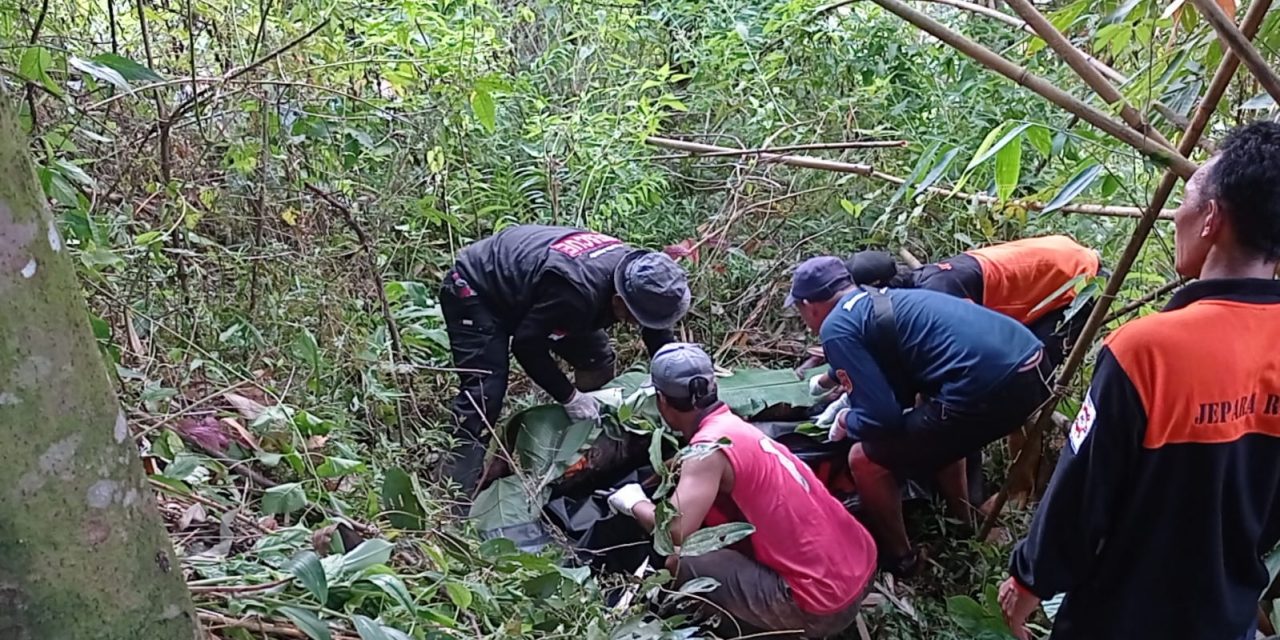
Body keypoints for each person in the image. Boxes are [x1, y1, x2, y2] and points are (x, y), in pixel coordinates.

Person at [999, 122, 1280, 640]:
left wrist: (1030, 578)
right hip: (1228, 614)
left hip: (1120, 616)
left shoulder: (1148, 350)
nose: (1178, 212)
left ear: (1211, 219)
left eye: (1188, 196)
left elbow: (1081, 494)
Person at [789, 257, 1050, 575]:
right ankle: (965, 521)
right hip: (1034, 366)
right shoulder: (880, 298)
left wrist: (847, 421)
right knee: (933, 426)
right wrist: (836, 378)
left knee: (865, 459)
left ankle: (903, 558)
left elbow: (882, 418)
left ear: (809, 305)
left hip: (992, 389)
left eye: (799, 310)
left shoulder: (835, 328)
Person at [607, 343, 877, 638]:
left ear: (662, 400)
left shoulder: (707, 452)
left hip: (821, 605)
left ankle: (744, 629)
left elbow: (674, 530)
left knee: (679, 559)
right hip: (861, 567)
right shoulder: (737, 429)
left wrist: (632, 503)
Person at [441, 225, 690, 497]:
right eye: (633, 318)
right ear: (619, 301)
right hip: (478, 288)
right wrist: (570, 397)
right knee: (484, 394)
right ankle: (453, 489)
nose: (635, 325)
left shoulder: (641, 274)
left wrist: (679, 373)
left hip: (541, 293)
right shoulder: (577, 293)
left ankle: (585, 445)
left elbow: (656, 328)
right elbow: (526, 345)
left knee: (596, 358)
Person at [844, 235, 1100, 368]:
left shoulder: (937, 294)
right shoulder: (925, 279)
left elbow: (978, 344)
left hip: (1078, 277)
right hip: (1055, 259)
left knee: (1037, 369)